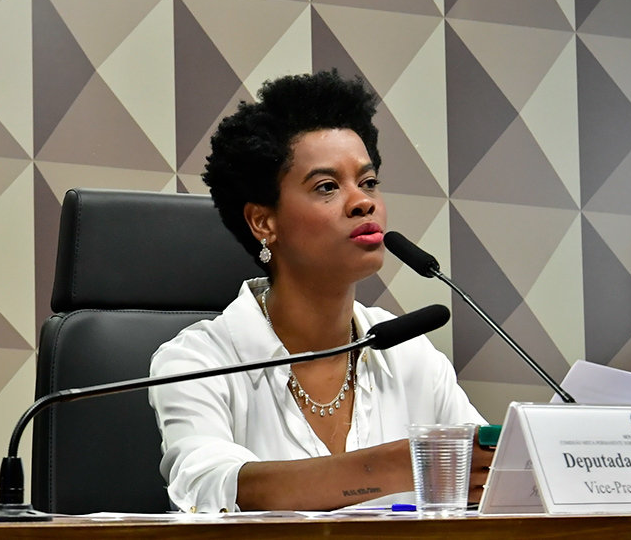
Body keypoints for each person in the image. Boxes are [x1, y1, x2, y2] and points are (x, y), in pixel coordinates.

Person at [149, 69, 493, 513]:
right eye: (327, 187)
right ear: (263, 221)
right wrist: (395, 466)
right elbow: (210, 487)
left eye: (367, 183)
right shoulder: (198, 362)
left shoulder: (410, 357)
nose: (362, 202)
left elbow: (490, 483)